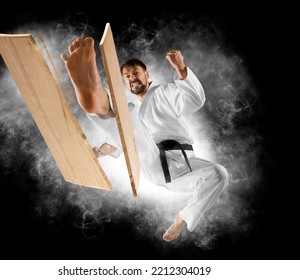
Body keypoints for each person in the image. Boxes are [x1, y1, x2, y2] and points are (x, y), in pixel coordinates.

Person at [61, 37, 229, 242]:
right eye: (127, 76)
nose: (132, 78)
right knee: (127, 120)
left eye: (136, 73)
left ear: (147, 74)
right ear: (124, 80)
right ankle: (94, 96)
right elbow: (121, 138)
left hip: (184, 160)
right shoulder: (129, 106)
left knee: (219, 174)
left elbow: (195, 99)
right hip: (153, 156)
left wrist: (182, 69)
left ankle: (183, 217)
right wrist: (101, 151)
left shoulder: (164, 92)